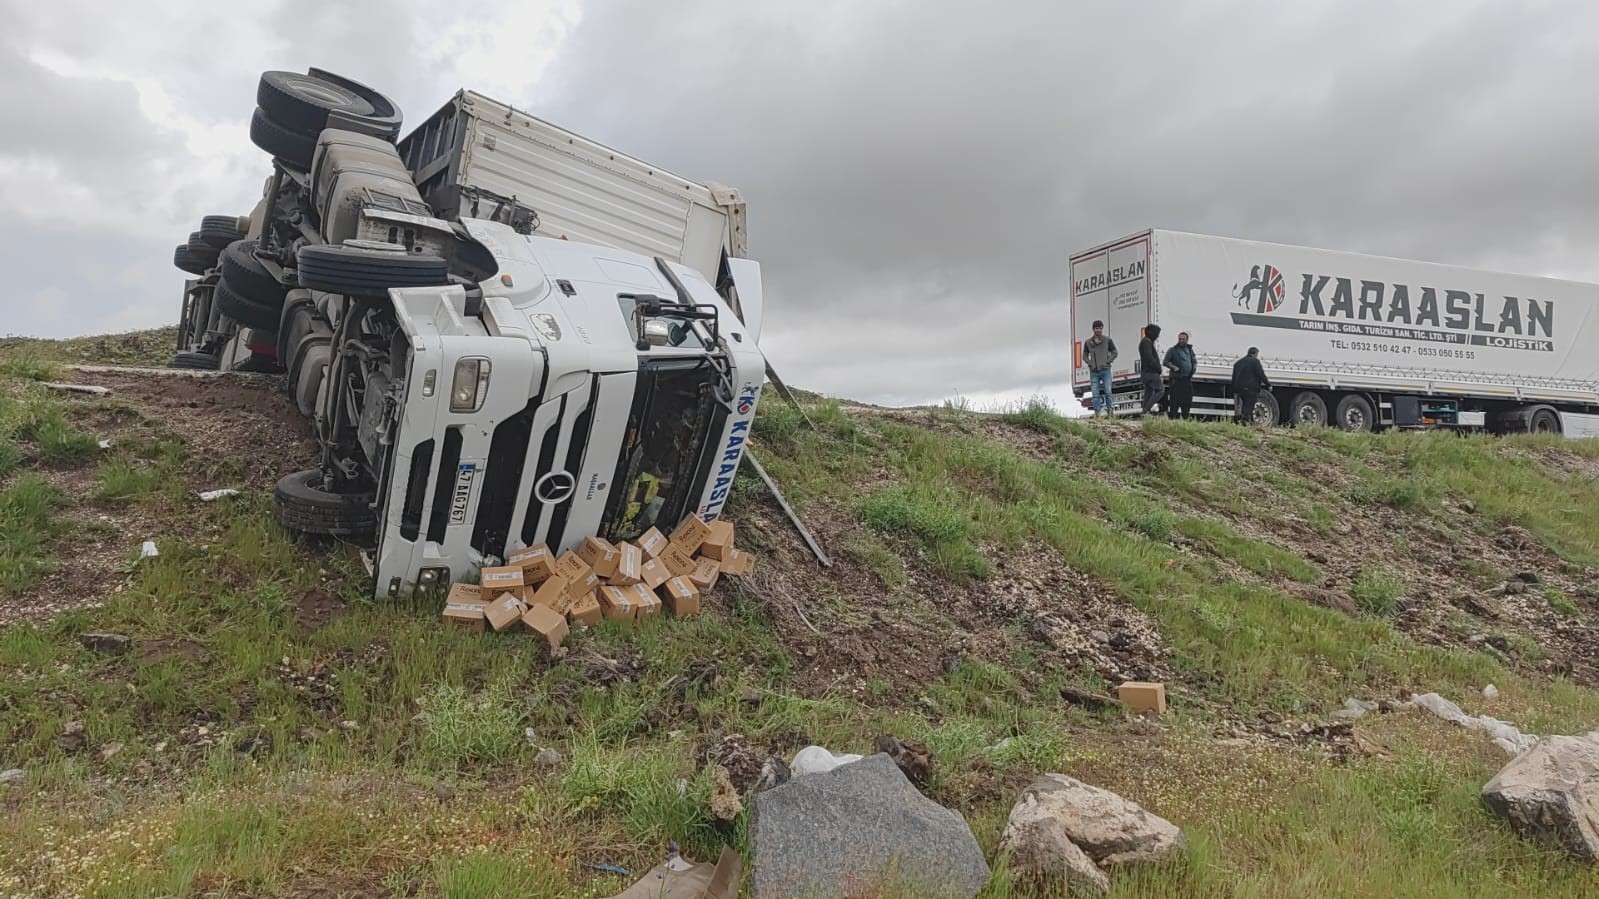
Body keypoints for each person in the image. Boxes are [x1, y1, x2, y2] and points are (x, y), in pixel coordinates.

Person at [1083, 320, 1117, 417]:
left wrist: (1108, 361)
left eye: (1100, 328)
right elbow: (1084, 355)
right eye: (1096, 328)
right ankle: (1097, 413)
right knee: (1095, 393)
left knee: (1108, 390)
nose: (1098, 330)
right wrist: (1090, 363)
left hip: (1106, 370)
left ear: (1102, 328)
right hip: (1094, 371)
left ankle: (1110, 411)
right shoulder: (1088, 342)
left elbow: (1115, 352)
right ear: (1093, 329)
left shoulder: (1107, 340)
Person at [1231, 346, 1271, 424]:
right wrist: (1268, 384)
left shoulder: (1238, 362)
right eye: (1257, 354)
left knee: (1243, 405)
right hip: (1251, 388)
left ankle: (1240, 419)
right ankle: (1245, 420)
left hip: (1239, 388)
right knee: (1249, 404)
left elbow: (1234, 376)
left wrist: (1234, 388)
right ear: (1255, 353)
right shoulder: (1255, 361)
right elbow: (1261, 374)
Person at [1162, 331, 1196, 419]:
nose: (1181, 341)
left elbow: (1194, 360)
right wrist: (1173, 367)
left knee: (1187, 400)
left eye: (1183, 339)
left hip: (1187, 380)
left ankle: (1185, 418)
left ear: (1187, 340)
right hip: (1176, 380)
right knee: (1175, 401)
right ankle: (1173, 418)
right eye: (1180, 339)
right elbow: (1165, 362)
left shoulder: (1190, 350)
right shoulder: (1173, 350)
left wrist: (1193, 368)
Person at [1138, 323, 1165, 416]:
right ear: (1150, 332)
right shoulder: (1147, 342)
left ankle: (1144, 412)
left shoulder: (1145, 342)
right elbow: (1149, 357)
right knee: (1160, 390)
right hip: (1151, 372)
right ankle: (1146, 409)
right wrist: (1157, 368)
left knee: (1148, 393)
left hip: (1146, 372)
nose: (1157, 336)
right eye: (1157, 333)